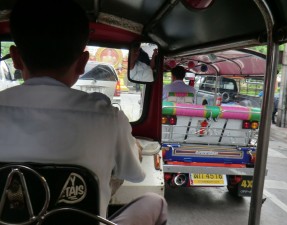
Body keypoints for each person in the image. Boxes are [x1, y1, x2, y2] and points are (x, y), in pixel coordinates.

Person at [0, 0, 167, 224]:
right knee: (156, 203)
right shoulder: (108, 118)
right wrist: (133, 149)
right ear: (82, 63)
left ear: (16, 58)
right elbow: (136, 175)